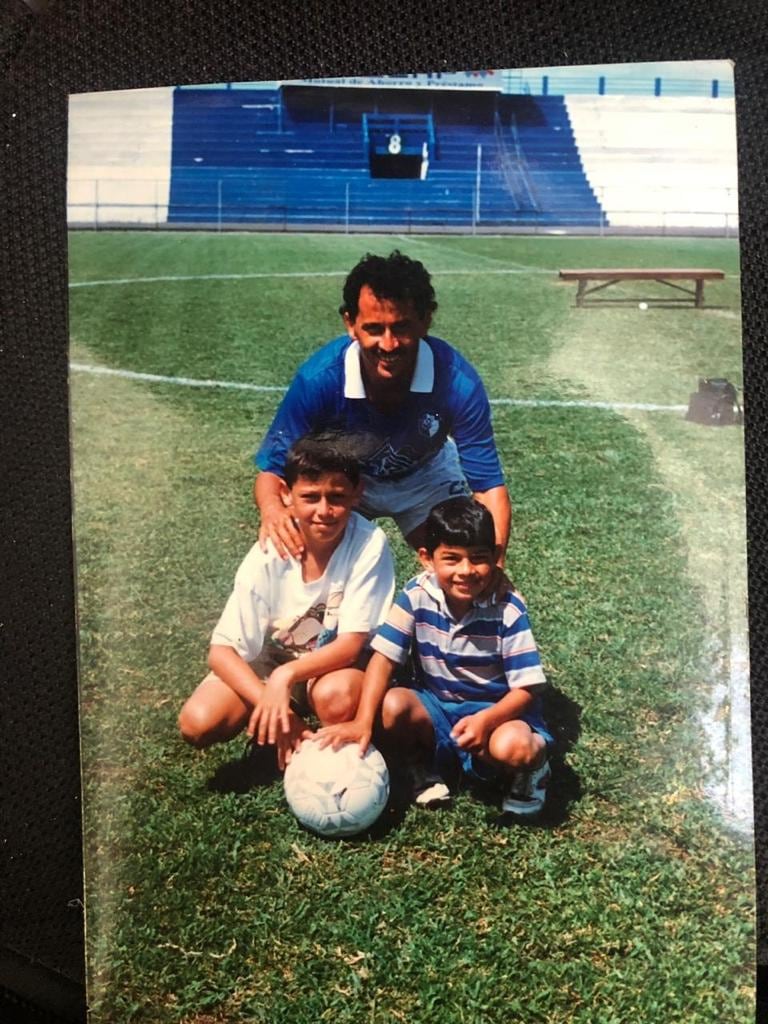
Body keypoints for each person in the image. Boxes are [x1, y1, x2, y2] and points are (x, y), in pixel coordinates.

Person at [254, 250, 511, 561]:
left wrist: (493, 566)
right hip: (345, 479)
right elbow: (272, 471)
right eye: (374, 329)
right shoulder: (320, 380)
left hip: (425, 474)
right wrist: (273, 511)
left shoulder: (457, 382)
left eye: (401, 328)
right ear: (350, 324)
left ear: (425, 320)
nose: (388, 345)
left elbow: (488, 488)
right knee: (295, 551)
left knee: (464, 561)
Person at [317, 497, 553, 816]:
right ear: (427, 559)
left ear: (496, 557)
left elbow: (527, 689)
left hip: (498, 714)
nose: (465, 571)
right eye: (451, 559)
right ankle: (421, 769)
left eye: (478, 558)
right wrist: (362, 722)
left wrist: (487, 720)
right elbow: (384, 660)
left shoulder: (508, 608)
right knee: (393, 705)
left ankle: (531, 770)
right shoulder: (417, 594)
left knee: (513, 747)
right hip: (437, 706)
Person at [178, 432, 395, 769]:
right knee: (198, 721)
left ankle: (337, 754)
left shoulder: (368, 543)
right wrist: (271, 696)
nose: (324, 510)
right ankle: (285, 715)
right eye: (310, 497)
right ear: (286, 495)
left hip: (331, 668)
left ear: (357, 493)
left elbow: (351, 645)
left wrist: (286, 677)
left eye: (337, 497)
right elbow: (221, 652)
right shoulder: (270, 549)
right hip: (271, 663)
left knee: (336, 698)